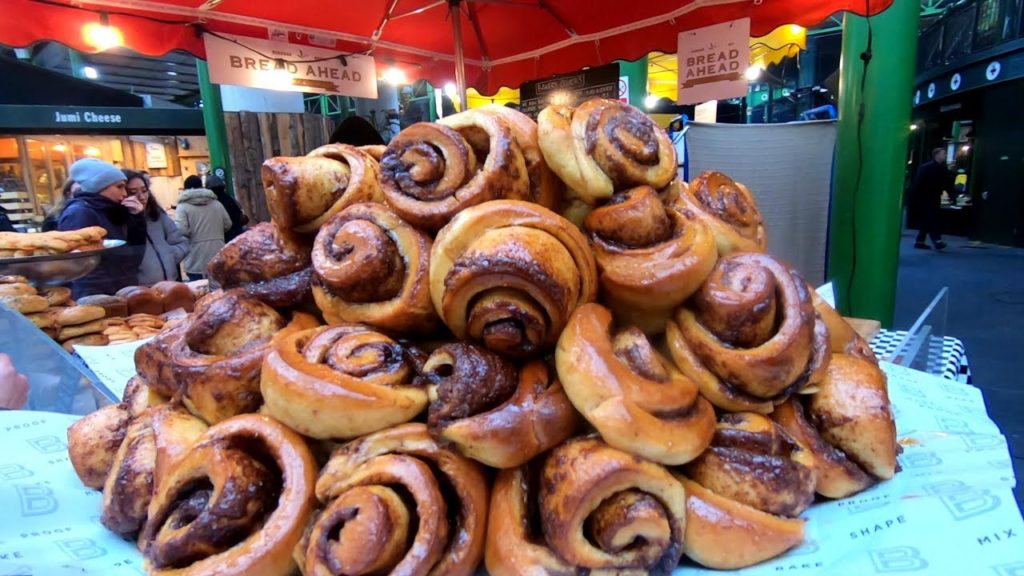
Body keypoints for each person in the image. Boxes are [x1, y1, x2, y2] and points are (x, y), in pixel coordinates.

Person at [58, 159, 146, 298]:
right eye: (119, 187)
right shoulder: (80, 212)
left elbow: (133, 256)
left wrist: (137, 219)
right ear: (99, 186)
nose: (125, 193)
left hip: (119, 289)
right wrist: (102, 297)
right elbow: (82, 265)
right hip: (98, 294)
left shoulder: (108, 211)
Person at [124, 170, 189, 284]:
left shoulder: (158, 215)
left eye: (144, 191)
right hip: (140, 288)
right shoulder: (119, 222)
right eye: (133, 192)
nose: (141, 197)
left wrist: (169, 256)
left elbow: (181, 242)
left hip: (170, 283)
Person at [175, 175, 231, 281]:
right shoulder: (217, 204)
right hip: (217, 252)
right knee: (219, 287)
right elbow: (227, 224)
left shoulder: (182, 207)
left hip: (195, 256)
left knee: (198, 287)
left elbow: (182, 229)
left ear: (186, 189)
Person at [908, 147, 951, 250]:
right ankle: (937, 240)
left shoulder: (933, 167)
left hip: (932, 196)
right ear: (937, 155)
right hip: (925, 197)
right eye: (943, 154)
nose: (945, 155)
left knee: (926, 219)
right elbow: (918, 183)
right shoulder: (932, 168)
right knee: (932, 218)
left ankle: (920, 241)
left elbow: (945, 183)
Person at [205, 174, 248, 242]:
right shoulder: (230, 199)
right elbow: (241, 217)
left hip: (221, 239)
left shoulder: (210, 203)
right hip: (236, 236)